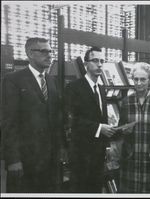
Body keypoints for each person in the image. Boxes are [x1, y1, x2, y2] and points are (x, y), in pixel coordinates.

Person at [2, 37, 64, 192]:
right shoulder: (13, 80)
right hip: (26, 160)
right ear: (30, 53)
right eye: (44, 51)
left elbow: (56, 118)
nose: (49, 55)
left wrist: (61, 149)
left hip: (50, 160)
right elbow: (8, 123)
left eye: (50, 51)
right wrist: (13, 159)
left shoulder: (52, 80)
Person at [64, 46, 116, 193]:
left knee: (95, 189)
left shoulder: (101, 88)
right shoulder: (73, 87)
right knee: (81, 189)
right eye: (95, 61)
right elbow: (71, 120)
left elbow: (103, 118)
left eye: (102, 61)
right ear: (86, 64)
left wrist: (106, 146)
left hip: (98, 152)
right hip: (81, 151)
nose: (99, 64)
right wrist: (99, 128)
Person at [118, 63, 150, 193]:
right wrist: (124, 130)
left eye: (143, 79)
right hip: (131, 157)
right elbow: (120, 129)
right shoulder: (126, 102)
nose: (139, 83)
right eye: (136, 79)